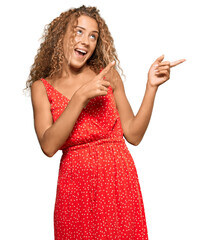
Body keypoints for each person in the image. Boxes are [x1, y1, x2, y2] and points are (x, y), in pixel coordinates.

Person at [25, 5, 185, 240]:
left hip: (118, 181)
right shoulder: (41, 87)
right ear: (61, 35)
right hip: (75, 188)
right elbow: (48, 146)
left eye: (93, 36)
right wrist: (80, 97)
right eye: (78, 31)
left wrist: (151, 87)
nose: (86, 41)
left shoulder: (107, 75)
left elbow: (133, 135)